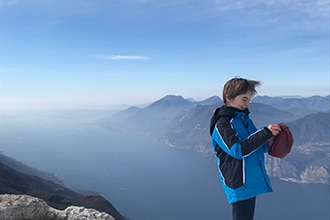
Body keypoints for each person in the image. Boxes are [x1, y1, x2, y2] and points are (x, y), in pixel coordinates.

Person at [209, 77, 281, 220]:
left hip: (249, 179)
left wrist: (272, 140)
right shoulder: (223, 124)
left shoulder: (243, 119)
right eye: (244, 99)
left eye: (249, 99)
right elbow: (238, 150)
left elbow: (255, 146)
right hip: (238, 182)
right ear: (229, 98)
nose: (248, 103)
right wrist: (265, 132)